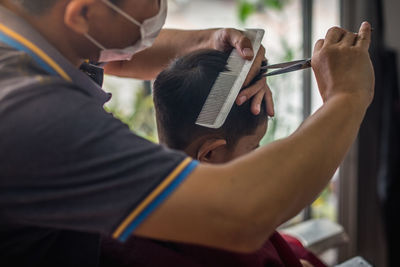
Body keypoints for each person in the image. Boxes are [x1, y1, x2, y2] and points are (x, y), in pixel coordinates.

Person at [0, 0, 374, 266]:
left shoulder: (25, 27)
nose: (161, 8)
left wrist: (205, 43)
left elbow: (100, 50)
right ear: (82, 12)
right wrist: (347, 97)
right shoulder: (35, 116)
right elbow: (239, 214)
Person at [100, 49, 326, 267]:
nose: (256, 155)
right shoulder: (227, 239)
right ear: (210, 153)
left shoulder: (132, 200)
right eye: (253, 148)